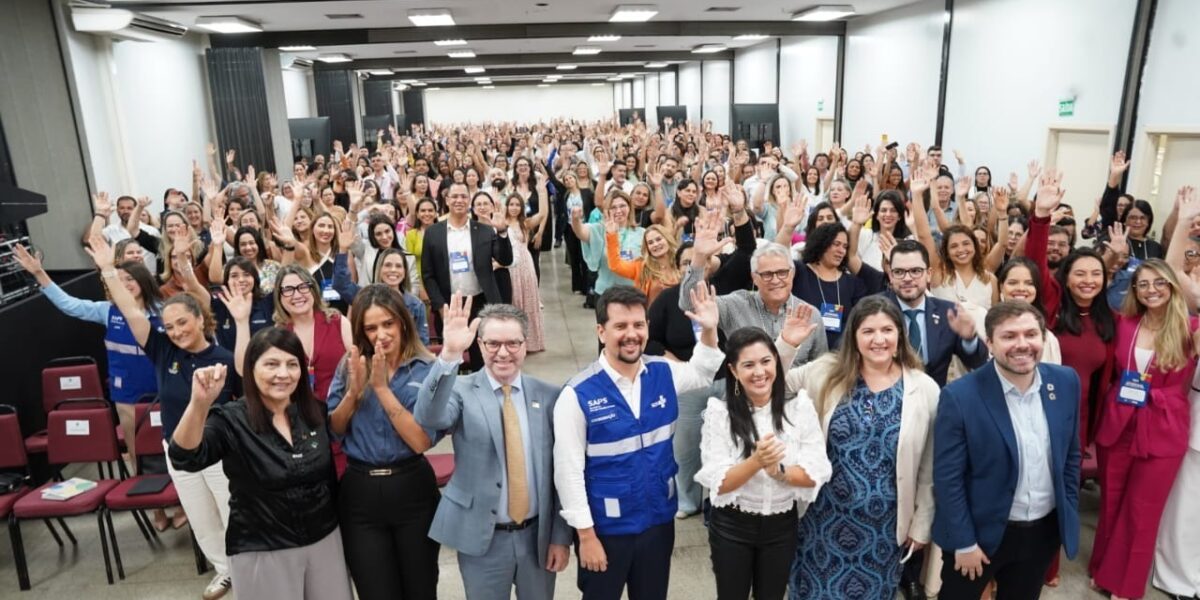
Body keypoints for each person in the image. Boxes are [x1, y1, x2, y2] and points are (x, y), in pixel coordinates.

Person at [85, 234, 239, 600]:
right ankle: (223, 570)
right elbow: (133, 311)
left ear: (201, 320)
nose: (177, 332)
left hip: (220, 453)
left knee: (232, 513)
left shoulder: (226, 359)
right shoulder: (160, 349)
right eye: (170, 327)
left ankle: (245, 568)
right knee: (201, 519)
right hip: (178, 451)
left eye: (184, 323)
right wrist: (108, 269)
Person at [553, 284, 722, 600]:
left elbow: (702, 372)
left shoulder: (663, 372)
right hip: (606, 530)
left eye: (638, 325)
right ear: (601, 332)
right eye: (620, 326)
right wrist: (586, 535)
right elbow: (568, 473)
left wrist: (709, 330)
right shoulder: (577, 395)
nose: (631, 334)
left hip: (657, 522)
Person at [775, 296, 940, 600]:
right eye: (868, 331)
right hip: (821, 521)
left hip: (884, 528)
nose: (879, 339)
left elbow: (930, 466)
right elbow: (768, 384)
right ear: (853, 336)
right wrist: (786, 344)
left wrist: (922, 524)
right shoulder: (825, 371)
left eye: (887, 330)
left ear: (900, 335)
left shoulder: (924, 388)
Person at [168, 332, 352, 600]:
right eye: (271, 364)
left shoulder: (313, 412)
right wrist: (199, 404)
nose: (283, 373)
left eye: (292, 364)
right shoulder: (232, 420)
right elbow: (184, 457)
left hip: (325, 540)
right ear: (251, 368)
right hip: (263, 549)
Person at [414, 296, 572, 599]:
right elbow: (428, 416)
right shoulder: (460, 390)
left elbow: (561, 474)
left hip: (537, 538)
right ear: (480, 345)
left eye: (513, 343)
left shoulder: (550, 396)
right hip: (481, 540)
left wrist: (560, 537)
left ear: (526, 344)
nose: (503, 353)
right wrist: (449, 354)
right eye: (493, 344)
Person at [933, 302, 1082, 600]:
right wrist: (964, 543)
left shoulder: (1065, 382)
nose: (1022, 344)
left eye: (1031, 334)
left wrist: (1067, 507)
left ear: (1043, 338)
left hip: (1041, 533)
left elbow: (1071, 455)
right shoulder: (960, 397)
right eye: (1009, 336)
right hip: (979, 537)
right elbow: (948, 479)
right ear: (990, 343)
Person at [695, 326, 832, 600]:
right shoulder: (719, 414)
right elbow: (718, 483)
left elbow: (817, 471)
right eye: (748, 365)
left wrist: (780, 472)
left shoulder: (798, 408)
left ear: (776, 363)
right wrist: (756, 461)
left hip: (782, 526)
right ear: (733, 371)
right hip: (732, 526)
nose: (759, 372)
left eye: (766, 361)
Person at [1090, 259, 1199, 600]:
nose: (1151, 289)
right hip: (1119, 421)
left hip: (1163, 426)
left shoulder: (1189, 327)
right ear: (1134, 290)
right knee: (1111, 501)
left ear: (1173, 286)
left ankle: (1125, 584)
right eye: (1143, 284)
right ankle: (1102, 570)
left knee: (1143, 509)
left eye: (1159, 283)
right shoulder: (1124, 323)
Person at [326, 285, 439, 599]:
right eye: (371, 327)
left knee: (421, 588)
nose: (381, 335)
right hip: (360, 491)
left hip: (412, 487)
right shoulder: (350, 366)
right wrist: (353, 392)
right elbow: (334, 429)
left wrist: (381, 388)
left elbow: (420, 440)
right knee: (375, 590)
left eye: (388, 323)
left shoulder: (427, 368)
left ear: (403, 321)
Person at [680, 211, 828, 367]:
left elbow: (820, 371)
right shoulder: (736, 305)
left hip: (794, 391)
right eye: (767, 274)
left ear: (792, 273)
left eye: (782, 273)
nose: (776, 280)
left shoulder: (809, 315)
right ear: (754, 277)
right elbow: (691, 304)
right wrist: (698, 257)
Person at [421, 181, 514, 370]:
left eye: (463, 196)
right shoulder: (433, 233)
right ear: (446, 200)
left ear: (469, 200)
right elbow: (428, 274)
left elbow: (505, 259)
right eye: (454, 196)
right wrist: (440, 306)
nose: (459, 200)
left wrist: (502, 231)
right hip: (450, 306)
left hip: (480, 303)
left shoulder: (484, 230)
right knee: (452, 360)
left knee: (483, 357)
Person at [878, 239, 987, 387]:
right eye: (899, 272)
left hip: (933, 403)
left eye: (916, 271)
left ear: (928, 274)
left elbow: (977, 361)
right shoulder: (871, 311)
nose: (907, 278)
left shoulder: (948, 313)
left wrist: (969, 339)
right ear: (890, 275)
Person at [504, 194, 546, 353]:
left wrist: (542, 189)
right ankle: (515, 341)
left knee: (528, 301)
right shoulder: (502, 223)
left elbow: (542, 214)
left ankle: (531, 342)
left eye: (517, 205)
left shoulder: (525, 223)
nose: (514, 207)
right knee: (514, 302)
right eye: (511, 204)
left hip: (525, 265)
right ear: (506, 206)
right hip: (508, 266)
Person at [604, 221, 681, 305]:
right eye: (650, 243)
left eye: (658, 239)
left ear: (667, 239)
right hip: (651, 317)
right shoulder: (641, 267)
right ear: (647, 247)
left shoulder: (681, 263)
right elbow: (616, 265)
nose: (655, 244)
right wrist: (612, 236)